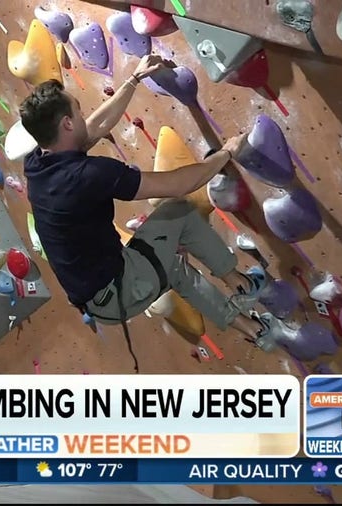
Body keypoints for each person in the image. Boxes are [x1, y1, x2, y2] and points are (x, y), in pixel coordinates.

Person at [19, 55, 291, 372]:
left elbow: (94, 128)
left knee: (172, 269)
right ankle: (241, 282)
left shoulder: (39, 161)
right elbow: (177, 185)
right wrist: (226, 153)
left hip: (102, 299)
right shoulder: (87, 175)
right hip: (121, 286)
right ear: (66, 124)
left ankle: (256, 330)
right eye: (77, 111)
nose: (83, 115)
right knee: (178, 211)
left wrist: (132, 81)